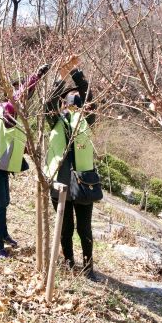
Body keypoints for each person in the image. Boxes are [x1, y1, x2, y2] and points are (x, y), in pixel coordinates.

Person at [0, 64, 50, 258]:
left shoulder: (14, 114)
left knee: (4, 202)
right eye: (23, 92)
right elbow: (17, 98)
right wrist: (35, 76)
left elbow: (12, 138)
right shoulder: (7, 109)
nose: (27, 96)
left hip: (1, 167)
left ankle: (1, 235)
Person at [45, 55, 99, 281]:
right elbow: (49, 102)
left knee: (84, 229)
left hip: (84, 182)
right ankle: (68, 263)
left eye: (77, 96)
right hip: (60, 180)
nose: (74, 97)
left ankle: (88, 267)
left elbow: (91, 99)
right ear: (64, 102)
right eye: (70, 95)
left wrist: (75, 72)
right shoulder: (54, 120)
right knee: (65, 228)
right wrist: (60, 76)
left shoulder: (88, 119)